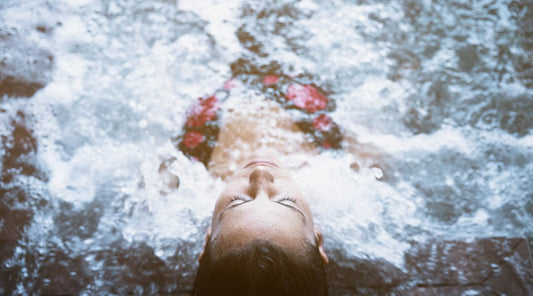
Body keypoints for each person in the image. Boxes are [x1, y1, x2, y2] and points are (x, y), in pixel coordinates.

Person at [160, 66, 385, 295]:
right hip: (302, 88)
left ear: (207, 241)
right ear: (318, 242)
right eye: (286, 201)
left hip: (215, 92)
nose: (260, 174)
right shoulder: (346, 181)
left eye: (237, 201)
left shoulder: (187, 175)